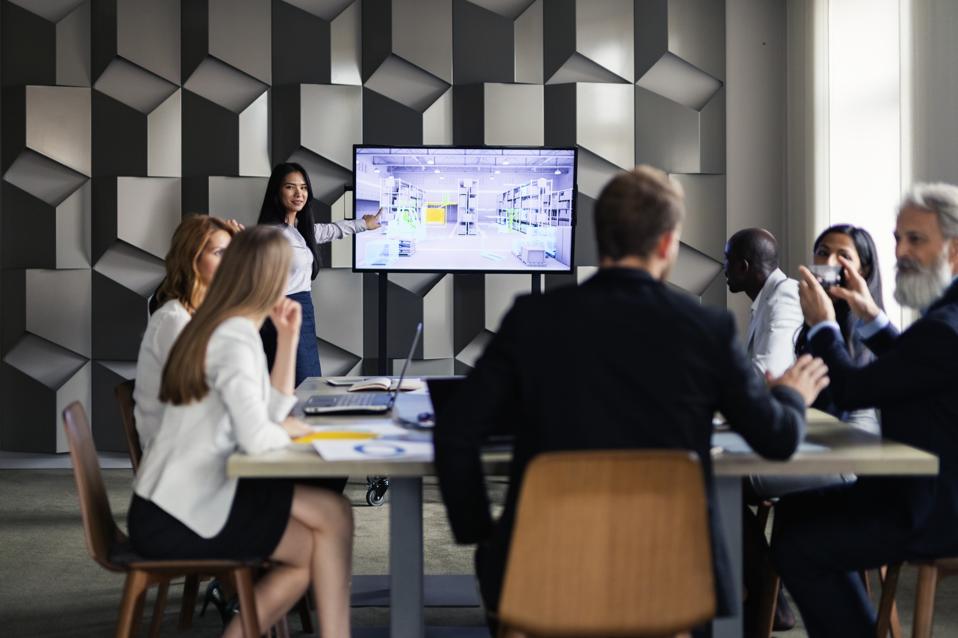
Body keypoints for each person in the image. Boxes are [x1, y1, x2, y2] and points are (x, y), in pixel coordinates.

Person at [433, 165, 830, 630]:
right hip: (674, 572)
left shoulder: (532, 319)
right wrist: (792, 396)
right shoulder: (706, 329)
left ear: (602, 238)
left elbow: (455, 431)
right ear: (666, 245)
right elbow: (777, 440)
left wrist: (483, 531)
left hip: (542, 563)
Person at [129, 227, 353, 638]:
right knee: (327, 529)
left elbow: (269, 410)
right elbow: (258, 439)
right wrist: (303, 436)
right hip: (181, 510)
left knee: (333, 517)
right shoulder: (228, 335)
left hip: (193, 493)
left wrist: (287, 341)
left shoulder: (234, 329)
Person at [772, 183, 958, 638]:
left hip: (933, 509)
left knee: (798, 544)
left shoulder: (944, 326)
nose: (901, 251)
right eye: (898, 238)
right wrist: (872, 317)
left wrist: (823, 326)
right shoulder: (946, 320)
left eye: (916, 239)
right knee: (797, 515)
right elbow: (912, 369)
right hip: (921, 492)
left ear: (955, 250)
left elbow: (855, 389)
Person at [257, 162, 382, 384]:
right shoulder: (268, 234)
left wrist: (364, 224)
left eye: (303, 187)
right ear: (276, 191)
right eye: (290, 187)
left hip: (303, 309)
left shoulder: (299, 231)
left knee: (307, 380)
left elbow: (332, 230)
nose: (299, 193)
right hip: (281, 310)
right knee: (295, 381)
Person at [133, 214, 237, 453]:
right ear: (192, 257)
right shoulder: (174, 321)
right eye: (220, 253)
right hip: (181, 466)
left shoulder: (203, 317)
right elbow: (197, 408)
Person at [724, 228, 805, 378]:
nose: (724, 268)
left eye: (727, 259)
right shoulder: (767, 297)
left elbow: (769, 371)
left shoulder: (785, 295)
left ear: (743, 267)